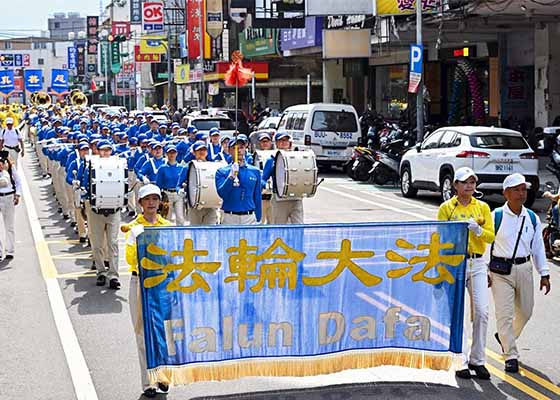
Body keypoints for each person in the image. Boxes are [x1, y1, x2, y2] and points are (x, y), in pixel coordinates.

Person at [488, 173, 551, 373]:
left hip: (524, 269)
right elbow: (485, 246)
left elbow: (538, 248)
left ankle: (505, 337)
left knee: (526, 311)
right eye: (517, 189)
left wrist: (545, 273)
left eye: (524, 189)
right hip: (500, 271)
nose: (521, 193)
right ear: (506, 193)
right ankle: (511, 355)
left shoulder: (531, 218)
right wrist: (485, 271)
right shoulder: (496, 216)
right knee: (504, 314)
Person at [437, 167, 494, 380]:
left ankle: (477, 359)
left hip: (477, 263)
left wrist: (477, 230)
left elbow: (489, 237)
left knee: (482, 311)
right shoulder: (446, 208)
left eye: (472, 182)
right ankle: (459, 360)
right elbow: (440, 239)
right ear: (455, 185)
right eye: (464, 182)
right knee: (458, 314)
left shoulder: (483, 208)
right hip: (456, 263)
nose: (469, 186)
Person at [124, 184, 172, 398]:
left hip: (161, 283)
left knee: (162, 332)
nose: (151, 203)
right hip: (140, 283)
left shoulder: (167, 225)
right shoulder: (133, 227)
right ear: (141, 203)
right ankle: (148, 383)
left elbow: (173, 255)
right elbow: (130, 258)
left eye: (155, 198)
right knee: (143, 335)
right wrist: (143, 244)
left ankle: (162, 376)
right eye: (147, 199)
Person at [81, 140, 121, 289]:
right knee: (97, 244)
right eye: (102, 150)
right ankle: (101, 272)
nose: (105, 153)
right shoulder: (90, 164)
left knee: (113, 243)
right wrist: (85, 195)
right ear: (97, 151)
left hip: (114, 210)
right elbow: (84, 182)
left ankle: (114, 275)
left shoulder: (118, 164)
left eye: (108, 150)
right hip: (96, 209)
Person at [215, 136, 262, 225]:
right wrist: (231, 177)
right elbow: (222, 193)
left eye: (241, 147)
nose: (238, 151)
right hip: (229, 216)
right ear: (229, 150)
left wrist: (258, 217)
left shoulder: (254, 171)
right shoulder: (222, 171)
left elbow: (257, 196)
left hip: (249, 217)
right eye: (235, 148)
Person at [262, 132, 303, 224]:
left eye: (286, 140)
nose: (284, 142)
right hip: (279, 199)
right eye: (281, 140)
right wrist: (268, 186)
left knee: (299, 227)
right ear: (276, 143)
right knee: (279, 229)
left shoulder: (297, 157)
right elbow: (263, 179)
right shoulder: (271, 159)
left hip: (296, 198)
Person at [177, 141, 219, 225]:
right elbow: (178, 185)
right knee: (195, 232)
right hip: (194, 206)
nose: (201, 152)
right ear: (194, 152)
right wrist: (180, 191)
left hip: (211, 206)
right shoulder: (188, 167)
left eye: (204, 150)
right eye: (199, 150)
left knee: (210, 231)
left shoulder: (212, 166)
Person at [0, 151, 22, 260]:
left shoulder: (10, 166)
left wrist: (17, 194)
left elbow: (18, 181)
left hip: (8, 197)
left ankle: (10, 250)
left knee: (9, 226)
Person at [155, 145, 185, 225]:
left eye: (173, 152)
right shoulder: (162, 168)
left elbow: (184, 182)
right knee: (167, 217)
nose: (172, 155)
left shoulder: (181, 168)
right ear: (166, 154)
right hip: (166, 194)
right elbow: (158, 184)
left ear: (176, 154)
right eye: (169, 153)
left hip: (178, 194)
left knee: (180, 217)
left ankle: (180, 235)